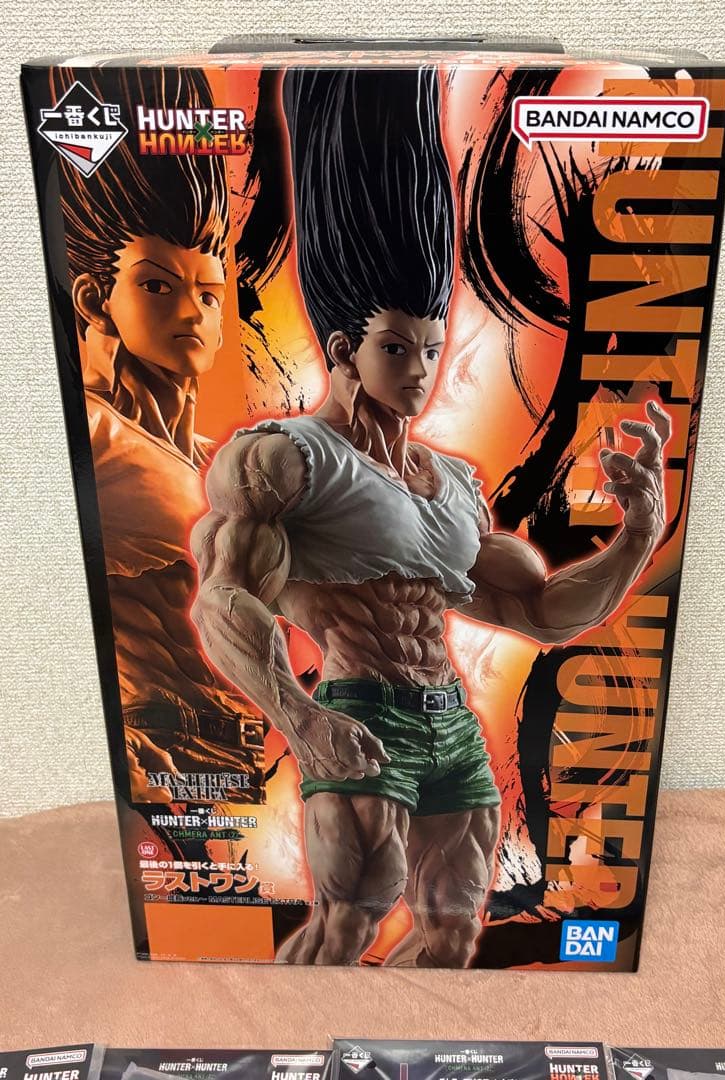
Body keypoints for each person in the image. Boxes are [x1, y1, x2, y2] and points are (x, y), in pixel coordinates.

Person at [190, 66, 669, 965]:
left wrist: (636, 536)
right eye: (396, 348)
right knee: (348, 924)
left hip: (451, 725)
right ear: (344, 349)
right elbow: (224, 601)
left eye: (432, 347)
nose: (420, 370)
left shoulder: (452, 484)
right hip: (359, 713)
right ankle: (300, 1034)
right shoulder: (284, 459)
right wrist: (302, 720)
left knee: (453, 929)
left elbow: (537, 612)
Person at [58, 66, 264, 802]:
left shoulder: (210, 457)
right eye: (157, 285)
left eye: (209, 292)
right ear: (95, 300)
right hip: (158, 762)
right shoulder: (94, 434)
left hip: (236, 757)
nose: (192, 314)